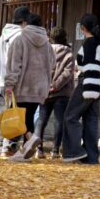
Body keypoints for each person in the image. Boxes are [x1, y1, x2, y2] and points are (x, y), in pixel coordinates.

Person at [5, 11, 55, 161]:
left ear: (26, 24)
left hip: (23, 86)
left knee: (20, 119)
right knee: (29, 117)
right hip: (40, 88)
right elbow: (53, 64)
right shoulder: (47, 44)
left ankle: (31, 138)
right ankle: (26, 152)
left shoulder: (20, 40)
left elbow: (14, 65)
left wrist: (9, 84)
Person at [62, 13, 100, 164]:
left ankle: (75, 151)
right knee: (91, 120)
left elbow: (80, 65)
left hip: (85, 82)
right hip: (97, 84)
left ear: (83, 28)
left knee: (70, 116)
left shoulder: (86, 45)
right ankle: (91, 157)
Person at [35, 27, 74, 158]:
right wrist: (56, 86)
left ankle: (39, 149)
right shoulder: (68, 53)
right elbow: (68, 73)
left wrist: (47, 85)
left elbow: (39, 70)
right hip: (62, 92)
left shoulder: (44, 51)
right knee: (59, 121)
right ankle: (55, 150)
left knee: (41, 120)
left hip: (45, 90)